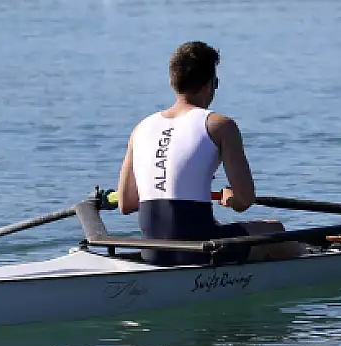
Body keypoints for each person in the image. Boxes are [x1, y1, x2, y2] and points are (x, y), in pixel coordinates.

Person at [116, 41, 298, 265]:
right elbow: (245, 199)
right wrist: (231, 199)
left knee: (214, 227)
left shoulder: (140, 129)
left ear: (174, 83)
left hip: (152, 252)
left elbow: (125, 203)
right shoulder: (220, 125)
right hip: (199, 252)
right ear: (208, 84)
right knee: (274, 230)